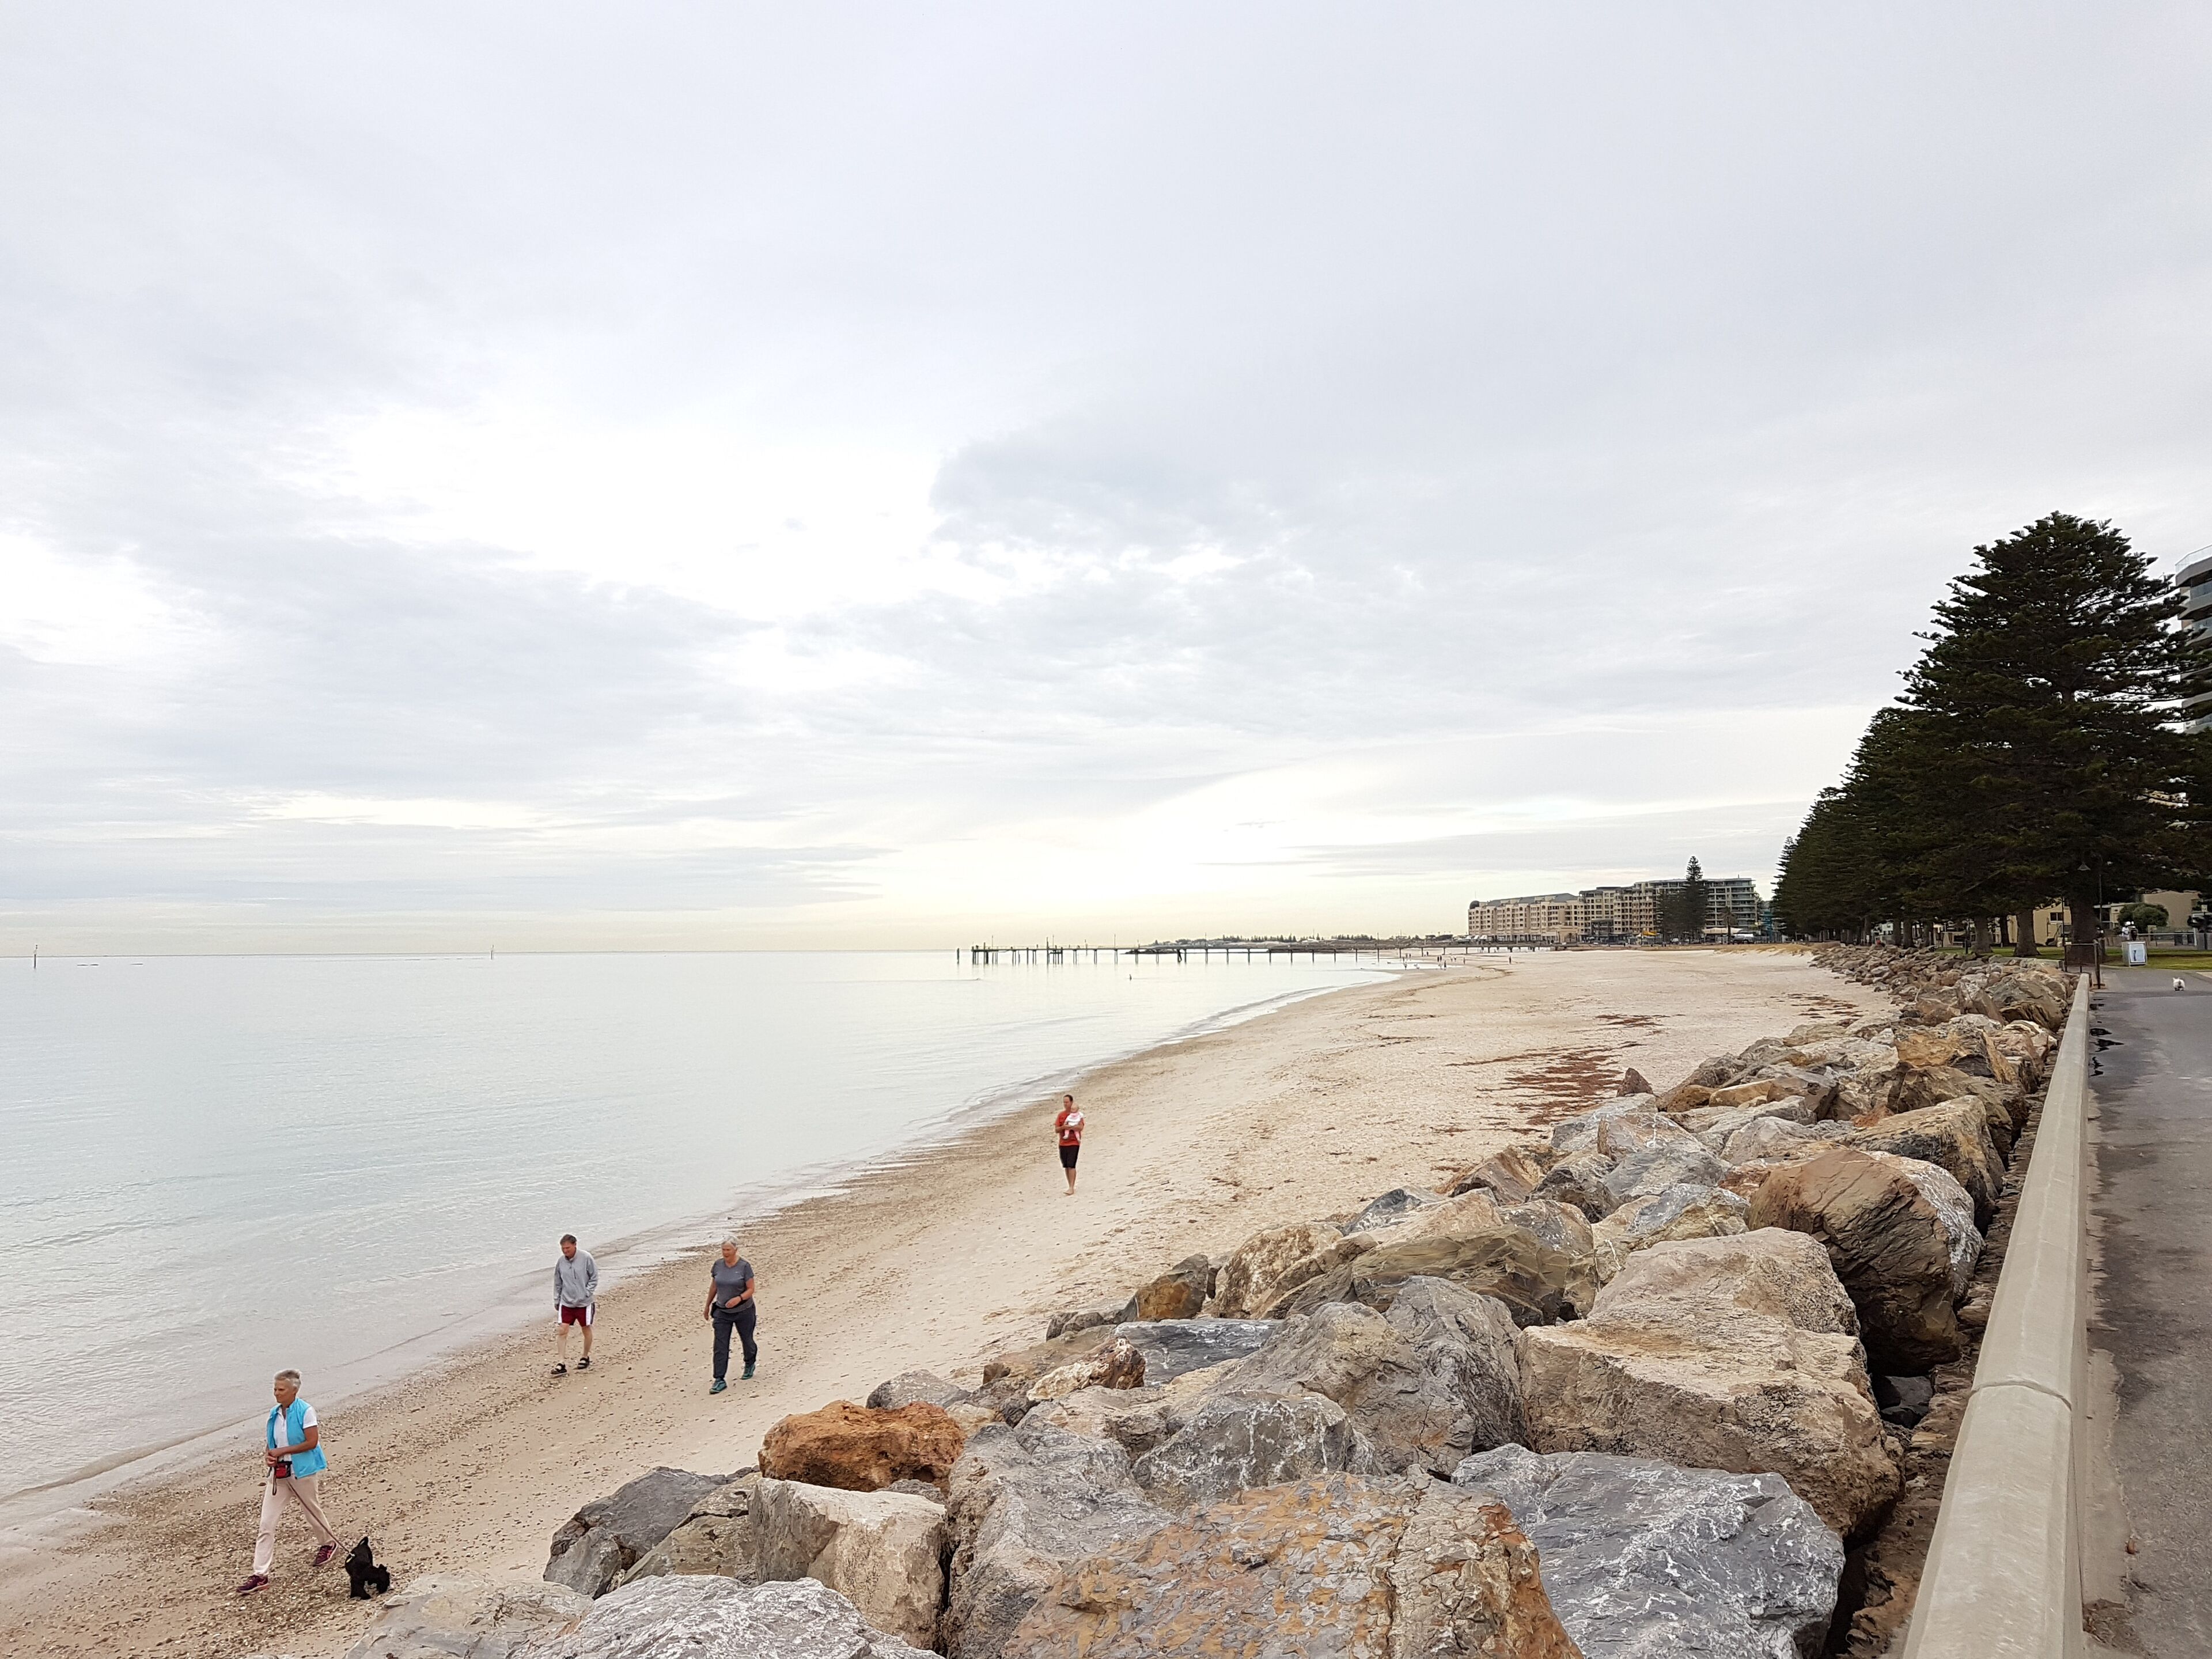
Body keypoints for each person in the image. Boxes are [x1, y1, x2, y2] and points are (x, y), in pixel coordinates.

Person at [236, 1369, 338, 1594]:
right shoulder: (274, 1414)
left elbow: (312, 1442)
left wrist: (284, 1450)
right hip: (279, 1476)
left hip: (303, 1473)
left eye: (281, 1390)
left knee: (312, 1513)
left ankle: (328, 1544)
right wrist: (269, 1456)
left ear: (294, 1390)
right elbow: (271, 1442)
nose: (276, 1394)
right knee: (266, 1524)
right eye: (275, 1389)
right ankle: (260, 1574)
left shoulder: (306, 1411)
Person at [702, 1238, 756, 1392]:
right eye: (723, 1250)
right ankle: (719, 1379)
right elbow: (714, 1286)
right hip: (722, 1312)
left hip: (744, 1310)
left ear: (735, 1250)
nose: (725, 1253)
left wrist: (738, 1299)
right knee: (720, 1345)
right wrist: (707, 1306)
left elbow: (751, 1289)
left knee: (747, 1340)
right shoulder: (718, 1265)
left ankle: (749, 1362)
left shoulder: (744, 1267)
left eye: (728, 1250)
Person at [552, 1232, 598, 1376]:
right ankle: (561, 1362)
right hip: (567, 1302)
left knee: (586, 1328)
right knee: (562, 1330)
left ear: (575, 1245)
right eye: (563, 1249)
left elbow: (594, 1277)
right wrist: (557, 1300)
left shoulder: (586, 1258)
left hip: (584, 1303)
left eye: (568, 1248)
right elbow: (558, 1282)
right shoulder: (561, 1262)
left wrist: (587, 1292)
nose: (566, 1251)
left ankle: (585, 1356)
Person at [1054, 1093, 1085, 1194]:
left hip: (1074, 1143)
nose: (1065, 1104)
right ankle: (1069, 1185)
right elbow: (1057, 1130)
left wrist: (1072, 1127)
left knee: (1072, 1165)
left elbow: (1081, 1127)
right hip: (1063, 1143)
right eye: (1064, 1102)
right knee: (1066, 1166)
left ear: (1071, 1102)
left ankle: (1072, 1187)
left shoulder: (1077, 1115)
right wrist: (1063, 1127)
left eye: (1067, 1102)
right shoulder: (1061, 1115)